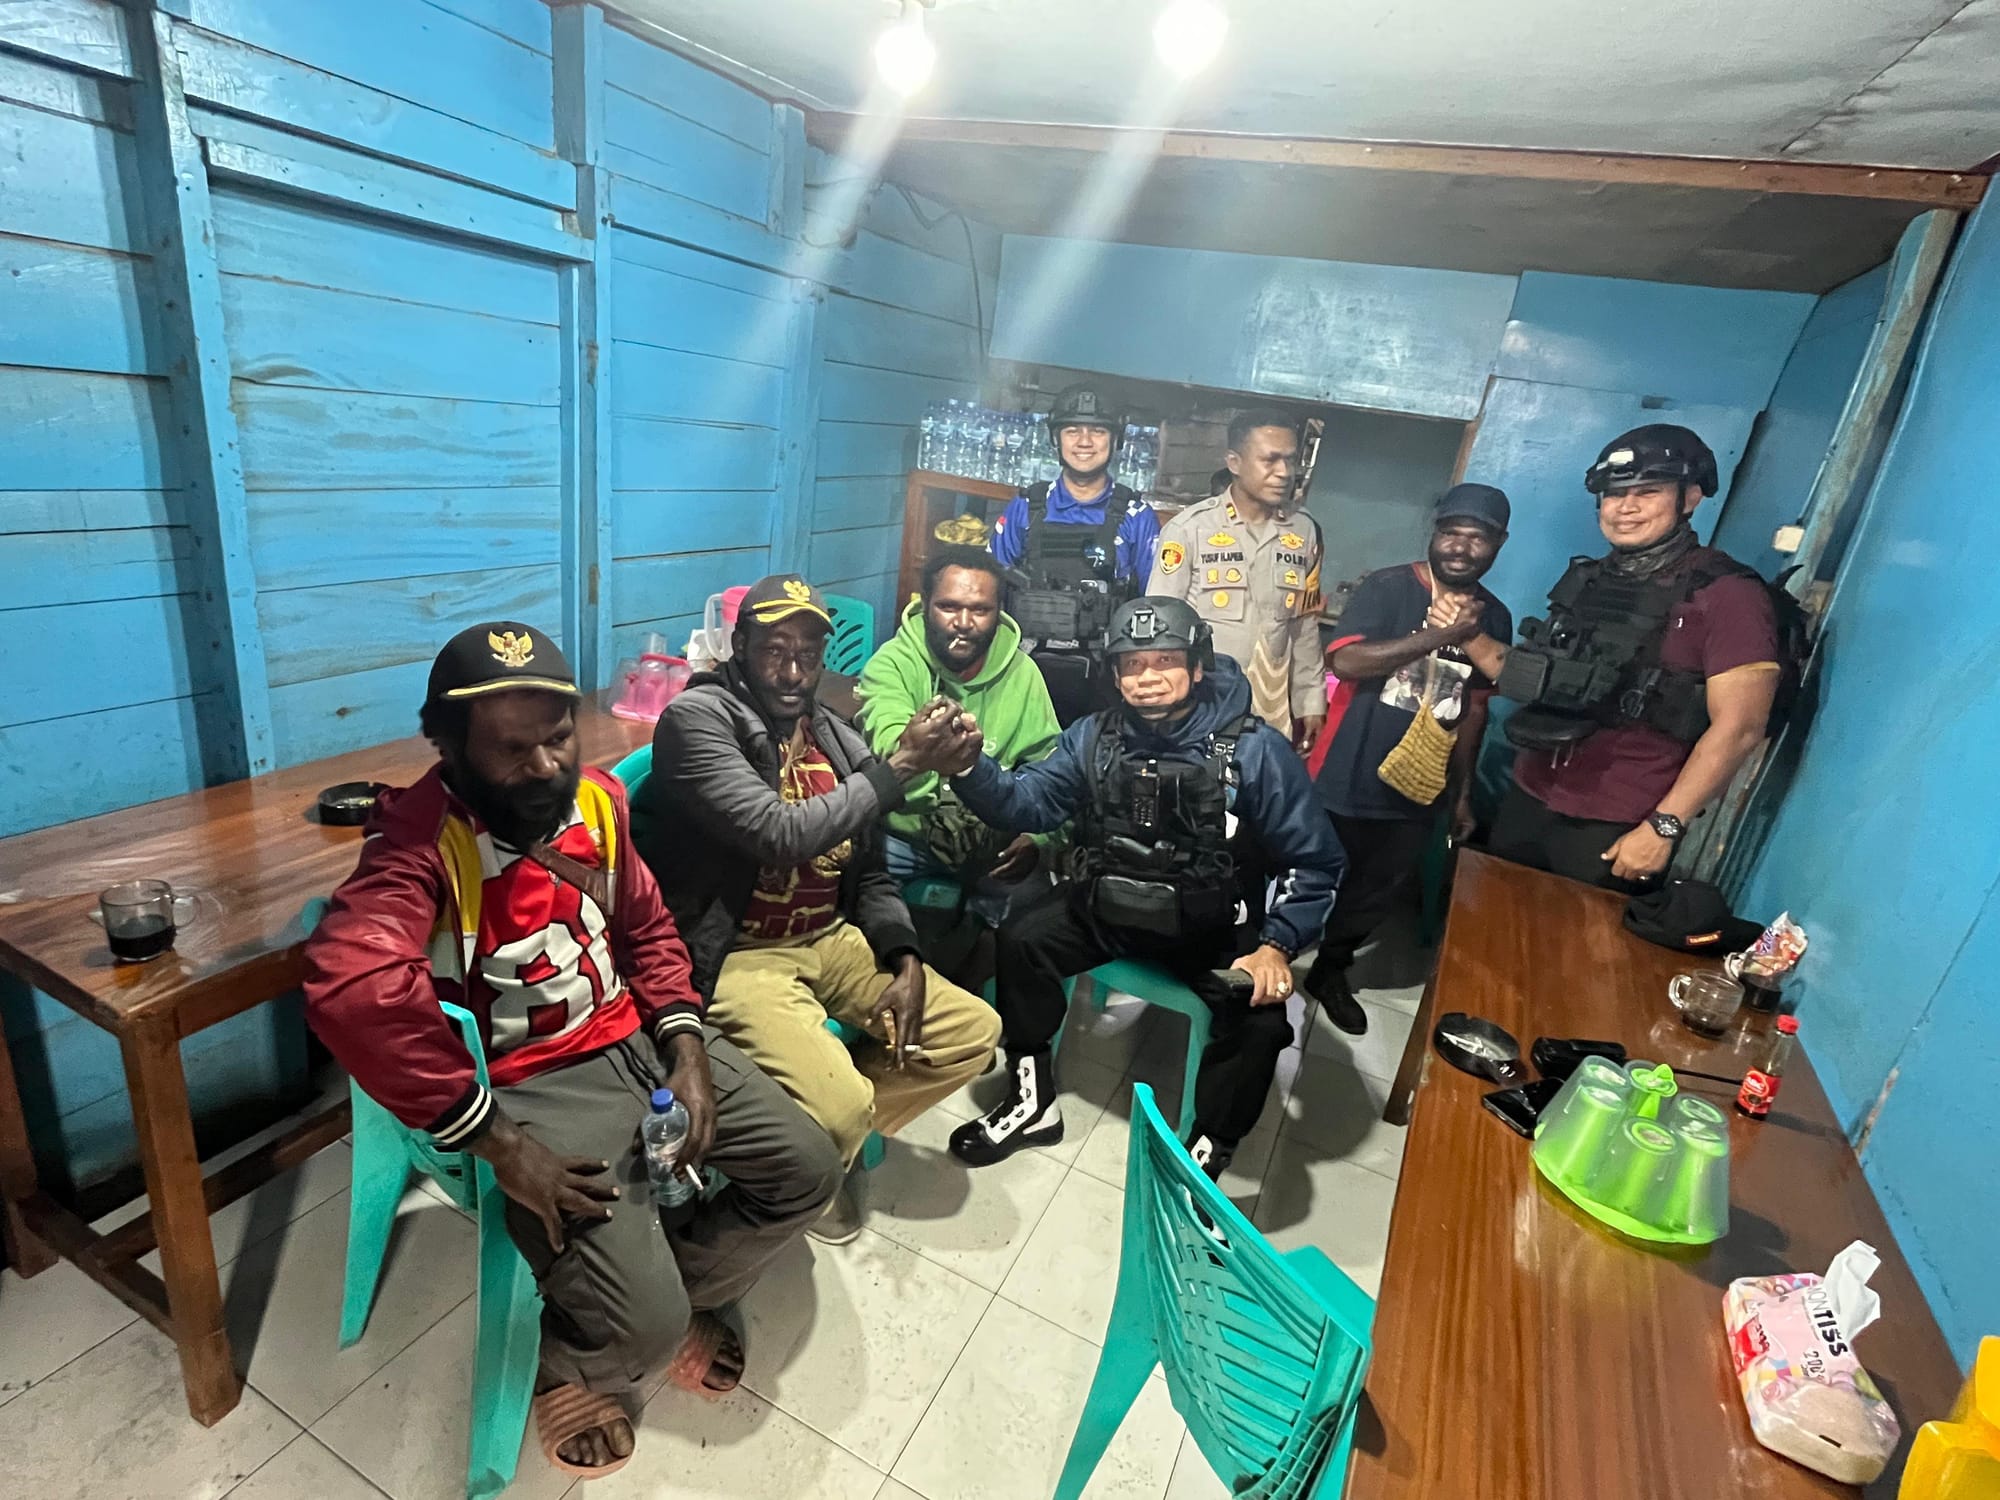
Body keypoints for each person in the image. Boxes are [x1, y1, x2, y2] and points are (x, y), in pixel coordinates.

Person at [304, 622, 841, 1480]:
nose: (545, 765)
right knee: (645, 1327)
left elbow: (649, 929)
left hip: (633, 1034)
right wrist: (501, 1145)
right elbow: (350, 987)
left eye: (557, 737)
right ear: (452, 749)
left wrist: (687, 1045)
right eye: (511, 750)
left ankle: (657, 1302)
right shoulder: (421, 841)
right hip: (536, 1081)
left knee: (807, 1170)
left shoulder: (596, 801)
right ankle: (582, 1356)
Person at [630, 574, 1002, 1242]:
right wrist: (902, 766)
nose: (794, 670)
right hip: (741, 953)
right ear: (739, 646)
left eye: (808, 652)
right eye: (775, 649)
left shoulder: (832, 734)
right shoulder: (696, 720)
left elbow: (870, 871)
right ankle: (816, 1143)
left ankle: (819, 1134)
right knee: (841, 1107)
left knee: (971, 1033)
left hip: (830, 936)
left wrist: (904, 956)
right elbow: (779, 833)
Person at [938, 597, 1347, 1180]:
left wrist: (1277, 945)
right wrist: (967, 766)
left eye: (1164, 660)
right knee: (1022, 939)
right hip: (1106, 908)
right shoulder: (1092, 738)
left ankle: (1206, 1151)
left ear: (1198, 666)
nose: (1147, 677)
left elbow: (1316, 861)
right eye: (1131, 664)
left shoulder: (1255, 750)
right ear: (1114, 674)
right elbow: (1027, 803)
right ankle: (1032, 1100)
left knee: (1261, 1024)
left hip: (1211, 931)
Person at [1488, 425, 1781, 890]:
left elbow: (1741, 727)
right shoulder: (1590, 577)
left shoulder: (1727, 594)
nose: (1625, 507)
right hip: (1531, 795)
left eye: (1648, 493)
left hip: (1620, 820)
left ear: (1690, 498)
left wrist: (1664, 827)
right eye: (1613, 494)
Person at [1302, 484, 1514, 1035]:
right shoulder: (1389, 586)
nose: (1460, 547)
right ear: (1434, 533)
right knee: (1301, 871)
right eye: (1451, 533)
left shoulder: (1496, 617)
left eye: (1477, 537)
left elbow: (1473, 712)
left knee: (1375, 890)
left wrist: (1461, 795)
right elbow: (1347, 662)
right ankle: (1267, 958)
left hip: (1420, 785)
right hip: (1345, 768)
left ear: (1499, 543)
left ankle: (1330, 971)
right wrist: (1443, 635)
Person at [856, 545, 1063, 926]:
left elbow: (1054, 770)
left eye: (980, 610)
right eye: (948, 607)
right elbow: (888, 746)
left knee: (1037, 922)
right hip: (906, 839)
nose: (963, 622)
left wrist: (1039, 841)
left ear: (999, 612)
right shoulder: (891, 664)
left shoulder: (1023, 673)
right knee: (855, 895)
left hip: (995, 846)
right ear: (925, 605)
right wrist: (920, 751)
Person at [1153, 410, 1327, 754]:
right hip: (1203, 703)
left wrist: (1310, 700)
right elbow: (1162, 628)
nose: (1283, 472)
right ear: (1234, 462)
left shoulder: (1303, 531)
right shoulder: (1190, 529)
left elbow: (1304, 626)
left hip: (1269, 708)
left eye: (1290, 460)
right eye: (1270, 460)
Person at [990, 383, 1160, 724]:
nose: (1084, 442)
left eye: (1098, 431)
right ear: (1056, 439)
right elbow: (990, 587)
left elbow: (1152, 605)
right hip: (1024, 672)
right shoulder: (1026, 506)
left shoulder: (1136, 515)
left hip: (1105, 680)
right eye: (1072, 431)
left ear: (1116, 440)